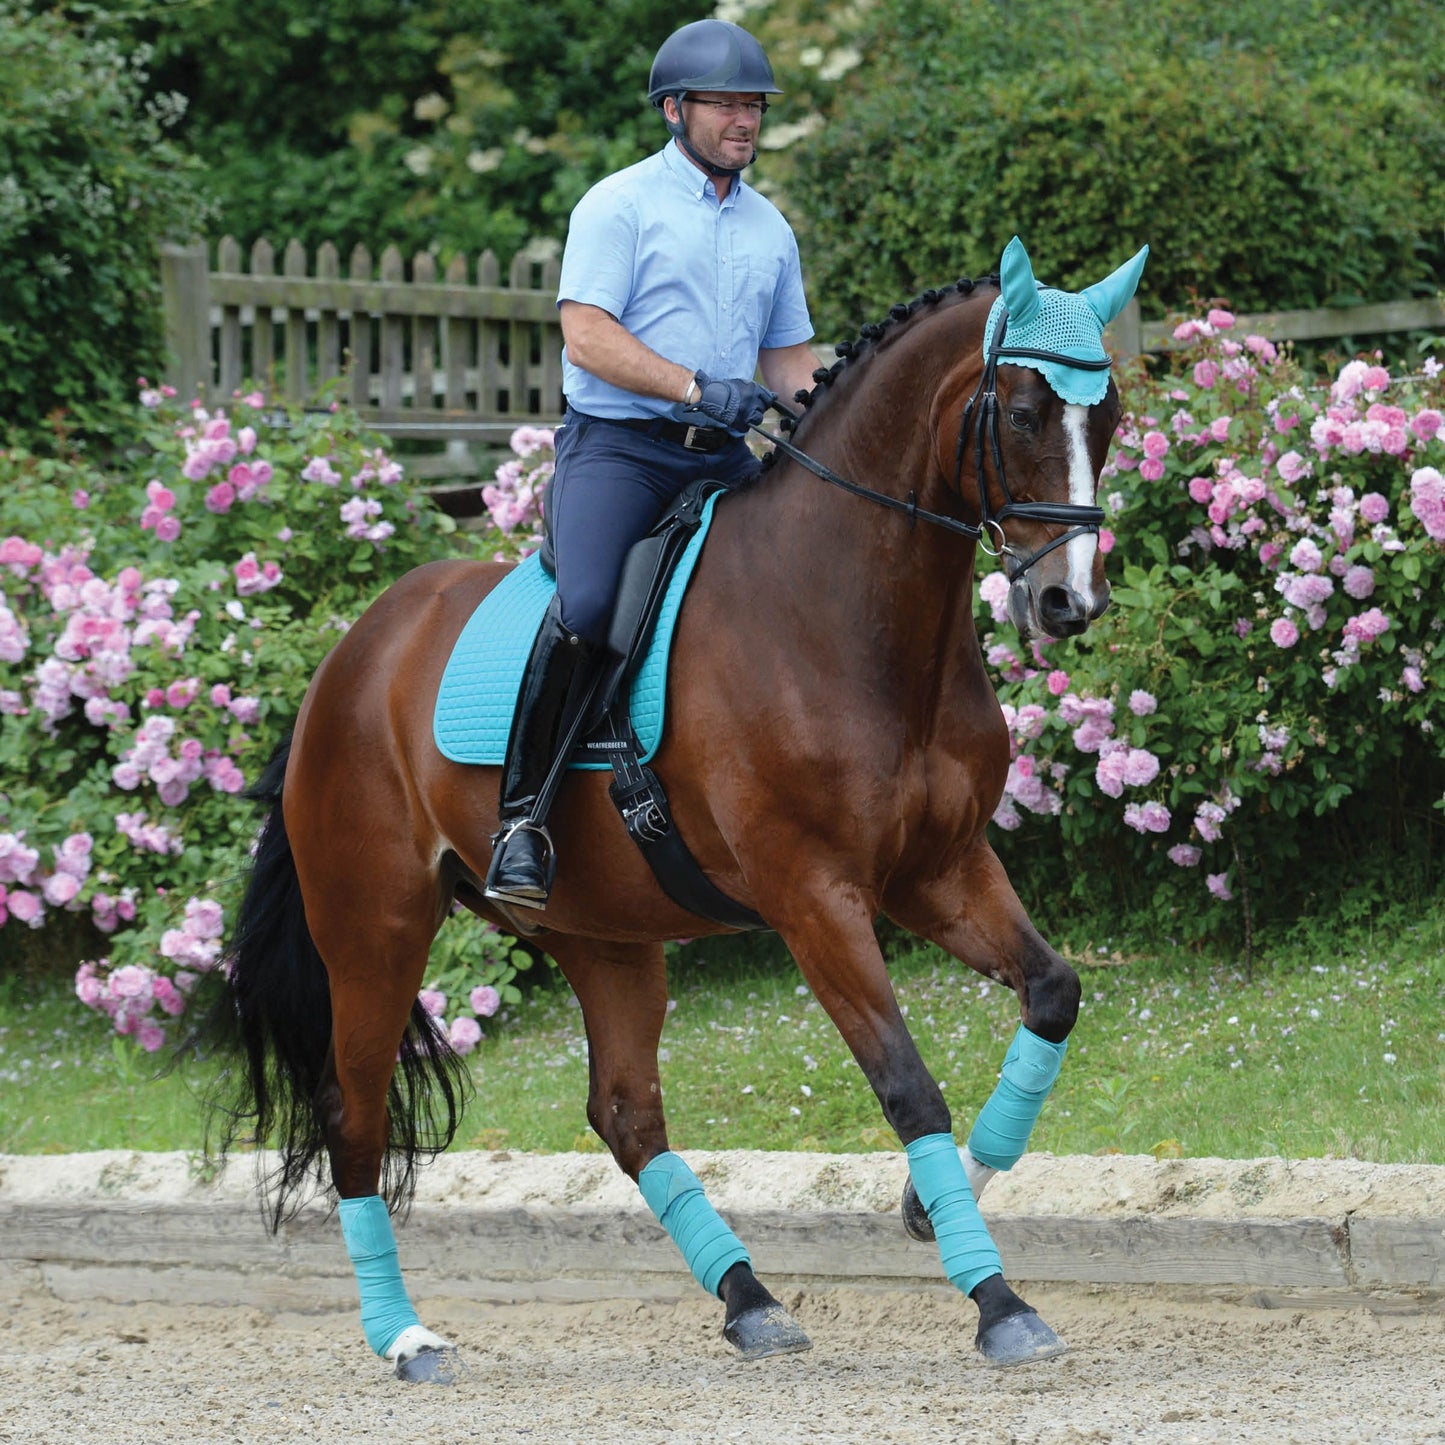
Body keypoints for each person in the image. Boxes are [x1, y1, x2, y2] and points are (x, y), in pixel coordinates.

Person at [484, 18, 820, 909]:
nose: (744, 120)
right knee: (590, 605)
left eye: (754, 106)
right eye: (725, 104)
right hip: (621, 452)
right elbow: (587, 336)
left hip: (722, 458)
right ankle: (521, 821)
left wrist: (833, 419)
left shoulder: (769, 227)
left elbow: (789, 360)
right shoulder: (617, 205)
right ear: (674, 110)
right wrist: (696, 387)